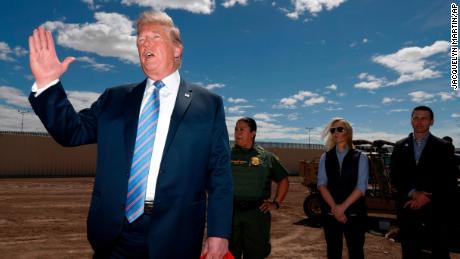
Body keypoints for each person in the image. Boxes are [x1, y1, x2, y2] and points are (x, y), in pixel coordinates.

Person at [27, 11, 233, 259]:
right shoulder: (115, 99)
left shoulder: (208, 105)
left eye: (154, 36)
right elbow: (72, 132)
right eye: (140, 40)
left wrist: (219, 233)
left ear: (177, 49)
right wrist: (48, 84)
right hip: (115, 233)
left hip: (177, 233)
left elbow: (220, 176)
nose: (144, 43)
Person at [390, 106, 457, 259]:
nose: (419, 122)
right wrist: (413, 193)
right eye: (416, 118)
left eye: (424, 118)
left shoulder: (444, 147)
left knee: (439, 250)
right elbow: (395, 176)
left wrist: (425, 198)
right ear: (411, 121)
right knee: (409, 251)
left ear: (432, 121)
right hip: (408, 208)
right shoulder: (400, 146)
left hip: (435, 210)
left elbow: (449, 180)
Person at [229, 117, 289, 259]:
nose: (237, 133)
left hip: (256, 215)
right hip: (230, 213)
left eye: (242, 129)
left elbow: (284, 180)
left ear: (253, 133)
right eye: (236, 129)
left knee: (256, 253)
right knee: (229, 253)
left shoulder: (266, 157)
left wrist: (276, 203)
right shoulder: (226, 154)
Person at [317, 117, 369, 259]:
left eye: (340, 129)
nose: (336, 133)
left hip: (354, 215)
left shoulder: (360, 157)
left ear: (348, 132)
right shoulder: (325, 157)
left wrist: (342, 208)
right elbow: (322, 185)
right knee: (333, 252)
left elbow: (361, 187)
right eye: (333, 130)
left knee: (356, 252)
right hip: (330, 214)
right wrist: (335, 208)